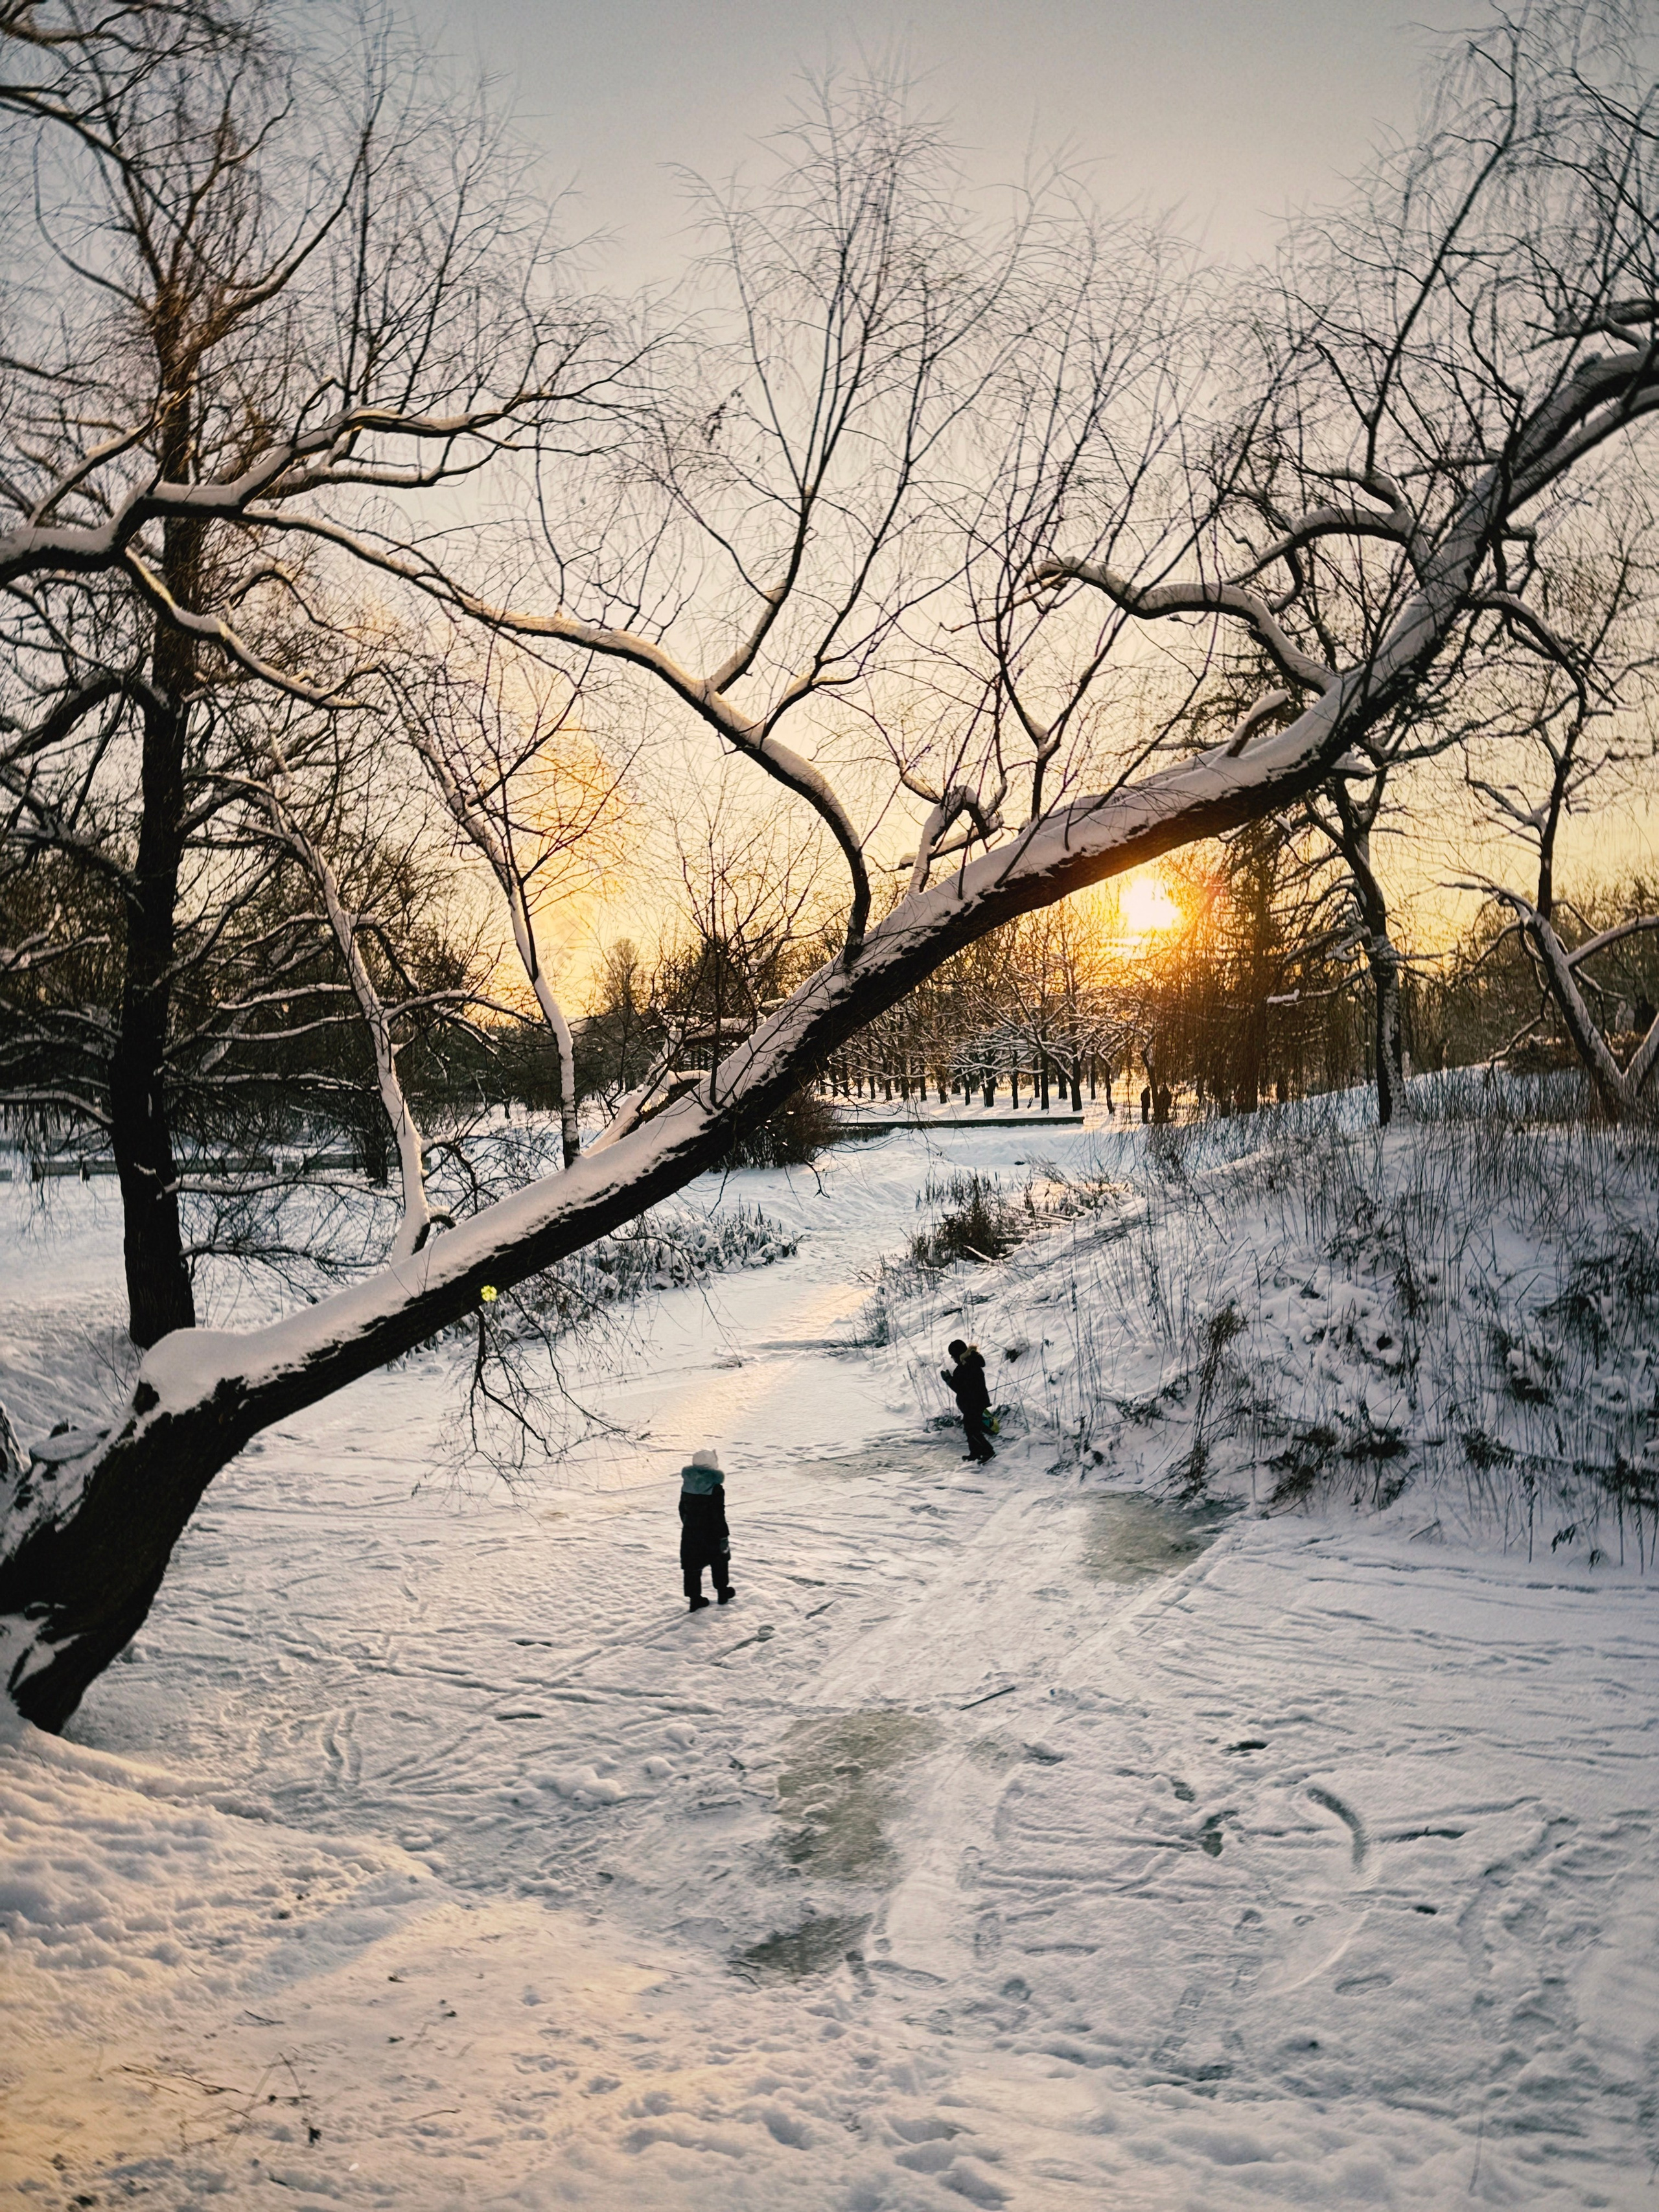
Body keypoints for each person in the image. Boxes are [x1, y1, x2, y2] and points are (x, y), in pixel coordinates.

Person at [679, 1448, 734, 1612]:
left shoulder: (687, 1485)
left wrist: (689, 1524)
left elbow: (682, 1509)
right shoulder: (716, 1488)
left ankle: (695, 1599)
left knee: (692, 1566)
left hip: (690, 1533)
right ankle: (723, 1592)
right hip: (712, 1533)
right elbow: (718, 1514)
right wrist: (723, 1535)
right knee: (720, 1562)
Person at [941, 1339, 995, 1463]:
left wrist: (948, 1380)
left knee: (972, 1429)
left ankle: (988, 1452)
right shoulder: (971, 1362)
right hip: (975, 1402)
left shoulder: (966, 1366)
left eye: (953, 1355)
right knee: (970, 1428)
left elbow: (960, 1388)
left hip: (973, 1403)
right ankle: (975, 1453)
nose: (952, 1358)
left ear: (958, 1354)